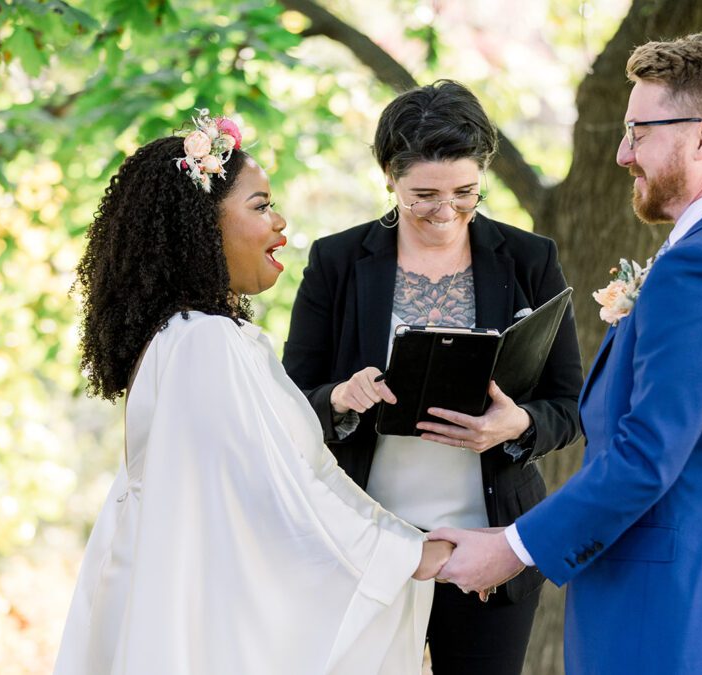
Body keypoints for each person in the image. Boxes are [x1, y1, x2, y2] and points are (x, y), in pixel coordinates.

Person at [430, 35, 702, 674]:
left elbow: (646, 458)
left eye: (639, 131)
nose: (623, 153)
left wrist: (512, 547)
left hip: (669, 622)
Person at [54, 110, 453, 675]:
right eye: (261, 206)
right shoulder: (202, 343)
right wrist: (411, 554)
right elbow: (274, 499)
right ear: (200, 224)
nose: (281, 223)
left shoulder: (192, 336)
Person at [281, 80, 583, 674]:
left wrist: (517, 424)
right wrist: (340, 399)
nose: (446, 212)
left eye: (465, 193)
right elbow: (290, 401)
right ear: (388, 177)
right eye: (423, 195)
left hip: (490, 547)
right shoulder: (336, 261)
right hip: (364, 542)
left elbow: (570, 405)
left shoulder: (530, 259)